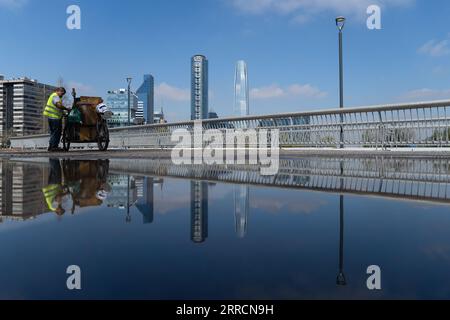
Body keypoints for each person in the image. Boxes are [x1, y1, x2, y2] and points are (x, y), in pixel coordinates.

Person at [43, 87, 69, 152]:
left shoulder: (54, 96)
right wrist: (66, 109)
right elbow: (58, 105)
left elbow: (58, 108)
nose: (62, 95)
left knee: (53, 132)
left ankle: (51, 146)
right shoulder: (55, 96)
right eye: (62, 93)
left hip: (51, 117)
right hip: (54, 118)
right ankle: (54, 147)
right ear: (58, 91)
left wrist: (63, 113)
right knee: (57, 132)